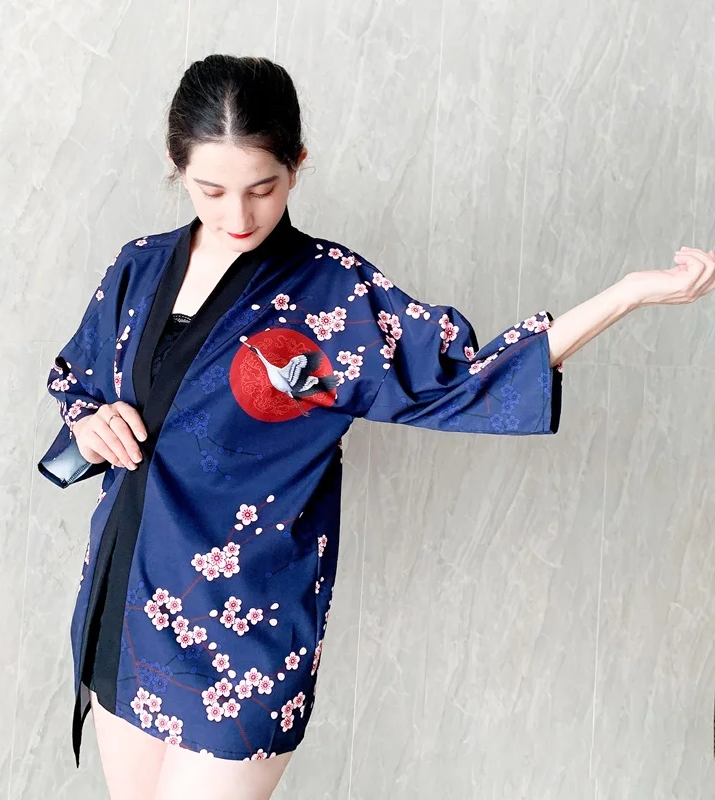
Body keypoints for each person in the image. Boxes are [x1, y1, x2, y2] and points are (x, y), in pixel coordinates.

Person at [36, 54, 715, 800]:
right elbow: (79, 379)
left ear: (297, 164)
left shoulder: (332, 293)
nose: (238, 217)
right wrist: (90, 421)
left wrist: (629, 294)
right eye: (211, 191)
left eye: (263, 188)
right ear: (177, 169)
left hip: (242, 629)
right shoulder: (139, 267)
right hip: (126, 603)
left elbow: (462, 378)